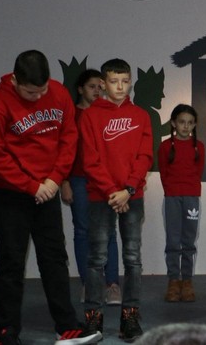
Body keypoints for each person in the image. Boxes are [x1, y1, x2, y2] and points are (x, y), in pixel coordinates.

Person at [0, 49, 102, 345]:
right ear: (15, 80)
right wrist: (30, 185)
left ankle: (66, 326)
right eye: (31, 92)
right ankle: (7, 331)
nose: (38, 96)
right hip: (11, 193)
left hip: (48, 188)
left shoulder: (57, 93)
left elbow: (69, 138)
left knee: (55, 258)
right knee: (11, 261)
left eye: (42, 89)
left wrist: (54, 179)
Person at [80, 58, 153, 343]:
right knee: (97, 258)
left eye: (125, 81)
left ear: (130, 82)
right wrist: (113, 192)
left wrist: (128, 190)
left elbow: (145, 156)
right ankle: (94, 318)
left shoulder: (141, 115)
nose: (120, 87)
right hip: (101, 197)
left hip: (132, 196)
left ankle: (129, 317)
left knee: (133, 259)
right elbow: (90, 161)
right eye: (113, 81)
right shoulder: (90, 116)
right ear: (103, 84)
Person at [60, 69, 122, 306]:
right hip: (78, 179)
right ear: (80, 89)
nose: (97, 91)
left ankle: (112, 284)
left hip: (105, 180)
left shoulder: (107, 114)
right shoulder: (71, 115)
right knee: (83, 231)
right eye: (91, 86)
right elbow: (63, 151)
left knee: (109, 232)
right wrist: (64, 181)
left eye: (100, 87)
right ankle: (89, 283)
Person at [158, 104, 205, 303]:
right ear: (174, 123)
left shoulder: (199, 147)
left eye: (190, 123)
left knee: (188, 241)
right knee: (172, 241)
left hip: (191, 198)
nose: (186, 126)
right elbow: (163, 173)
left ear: (194, 125)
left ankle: (187, 280)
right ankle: (173, 281)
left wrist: (189, 191)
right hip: (172, 198)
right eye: (182, 122)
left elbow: (198, 172)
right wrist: (172, 192)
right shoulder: (165, 147)